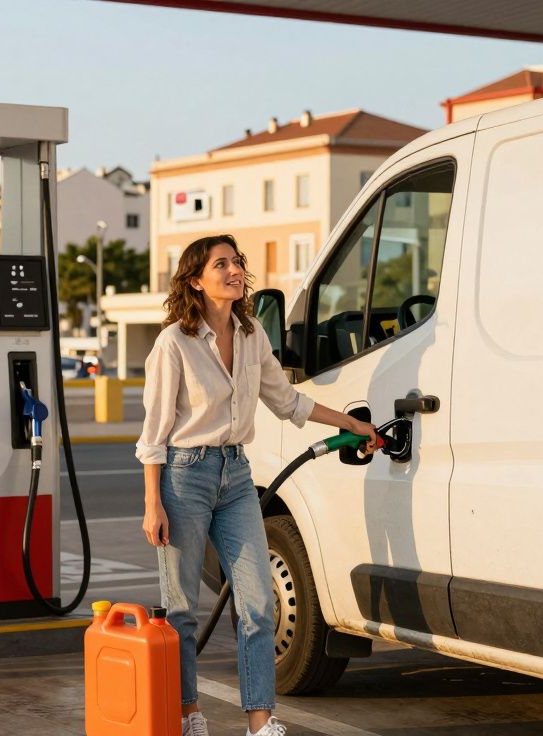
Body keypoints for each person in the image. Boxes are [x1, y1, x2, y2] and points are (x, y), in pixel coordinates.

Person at [136, 234, 382, 736]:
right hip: (184, 475)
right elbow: (154, 434)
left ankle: (260, 722)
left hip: (236, 474)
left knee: (258, 603)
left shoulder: (251, 334)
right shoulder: (174, 343)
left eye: (236, 262)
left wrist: (350, 423)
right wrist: (152, 502)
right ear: (195, 281)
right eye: (220, 264)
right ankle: (188, 714)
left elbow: (288, 401)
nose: (234, 270)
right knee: (182, 610)